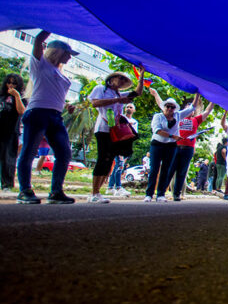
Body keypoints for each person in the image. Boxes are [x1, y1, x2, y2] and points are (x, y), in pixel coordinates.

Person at [16, 32, 77, 204]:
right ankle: (24, 191)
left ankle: (56, 192)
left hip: (56, 116)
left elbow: (54, 93)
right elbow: (38, 40)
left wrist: (66, 106)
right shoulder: (40, 65)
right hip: (37, 113)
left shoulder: (60, 73)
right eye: (68, 54)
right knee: (29, 151)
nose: (69, 58)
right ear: (57, 52)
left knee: (64, 153)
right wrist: (51, 24)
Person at [89, 68, 145, 203]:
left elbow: (137, 92)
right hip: (103, 129)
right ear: (112, 79)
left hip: (115, 131)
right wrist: (117, 100)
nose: (121, 81)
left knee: (109, 160)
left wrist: (141, 75)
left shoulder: (118, 94)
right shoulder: (101, 89)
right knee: (102, 158)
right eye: (120, 78)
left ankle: (99, 192)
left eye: (124, 80)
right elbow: (95, 103)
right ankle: (94, 192)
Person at [144, 94, 198, 202]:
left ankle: (161, 194)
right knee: (154, 169)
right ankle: (149, 194)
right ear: (164, 107)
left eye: (172, 107)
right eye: (167, 106)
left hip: (171, 145)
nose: (169, 109)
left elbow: (192, 107)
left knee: (166, 169)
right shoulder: (158, 116)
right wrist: (172, 136)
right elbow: (157, 130)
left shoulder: (177, 115)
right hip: (158, 144)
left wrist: (197, 94)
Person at [166, 96, 214, 201]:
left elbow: (208, 110)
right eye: (188, 108)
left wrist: (213, 99)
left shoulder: (196, 120)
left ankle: (177, 194)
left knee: (182, 172)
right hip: (175, 146)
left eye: (192, 109)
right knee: (170, 170)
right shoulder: (177, 118)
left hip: (188, 149)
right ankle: (161, 192)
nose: (190, 110)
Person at [0, 73, 26, 191]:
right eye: (9, 82)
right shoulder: (1, 96)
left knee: (8, 159)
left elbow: (21, 111)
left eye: (14, 83)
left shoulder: (21, 98)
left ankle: (7, 185)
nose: (11, 85)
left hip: (11, 132)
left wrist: (17, 96)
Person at [106, 102, 139, 196]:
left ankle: (110, 187)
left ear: (134, 110)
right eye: (127, 107)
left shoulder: (135, 121)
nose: (129, 108)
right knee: (120, 165)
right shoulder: (120, 118)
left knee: (119, 166)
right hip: (118, 144)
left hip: (127, 145)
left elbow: (134, 134)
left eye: (131, 107)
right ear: (125, 109)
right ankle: (118, 187)